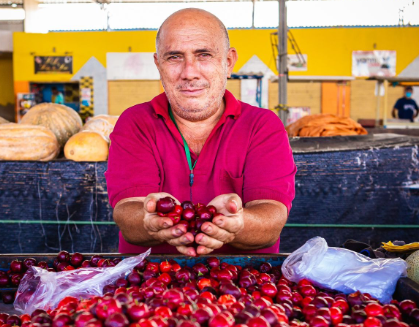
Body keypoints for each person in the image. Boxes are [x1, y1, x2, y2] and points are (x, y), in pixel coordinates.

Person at [105, 9, 296, 257]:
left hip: (242, 284)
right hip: (149, 282)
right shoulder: (136, 123)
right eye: (174, 57)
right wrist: (148, 220)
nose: (189, 72)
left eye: (203, 55)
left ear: (228, 62)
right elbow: (126, 209)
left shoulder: (262, 126)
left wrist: (238, 224)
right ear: (158, 64)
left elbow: (271, 217)